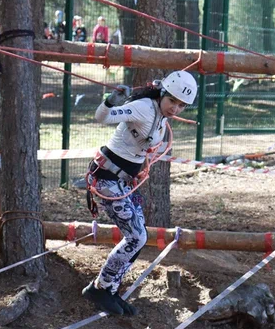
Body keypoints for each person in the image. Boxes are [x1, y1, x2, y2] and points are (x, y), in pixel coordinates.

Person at [82, 71, 198, 316]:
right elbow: (101, 117)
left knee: (139, 236)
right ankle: (99, 288)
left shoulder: (160, 115)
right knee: (136, 237)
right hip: (106, 179)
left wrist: (140, 165)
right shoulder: (143, 108)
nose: (175, 108)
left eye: (181, 105)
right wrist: (111, 101)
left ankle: (110, 289)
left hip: (121, 181)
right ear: (162, 93)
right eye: (172, 101)